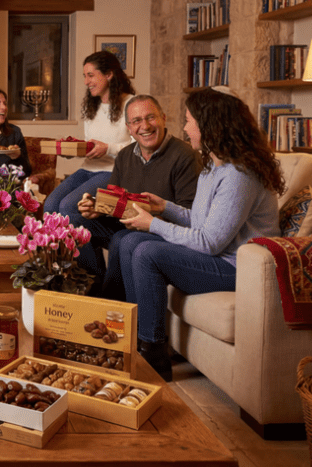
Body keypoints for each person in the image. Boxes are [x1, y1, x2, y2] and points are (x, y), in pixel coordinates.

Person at [115, 89, 285, 381]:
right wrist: (164, 207)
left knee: (147, 252)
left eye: (189, 121)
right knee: (130, 242)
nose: (184, 129)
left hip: (238, 268)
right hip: (218, 257)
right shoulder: (212, 167)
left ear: (209, 126)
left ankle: (153, 358)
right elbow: (200, 222)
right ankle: (137, 341)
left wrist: (153, 224)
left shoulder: (239, 175)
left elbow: (209, 242)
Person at [75, 95, 201, 300]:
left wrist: (151, 222)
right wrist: (97, 208)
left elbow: (189, 214)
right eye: (136, 121)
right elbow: (115, 201)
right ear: (129, 128)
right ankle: (90, 290)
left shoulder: (185, 155)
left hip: (162, 231)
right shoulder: (124, 156)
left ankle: (111, 305)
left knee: (121, 239)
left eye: (151, 117)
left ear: (163, 118)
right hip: (129, 226)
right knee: (77, 221)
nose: (145, 126)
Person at [43, 51, 135, 215]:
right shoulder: (91, 107)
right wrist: (72, 151)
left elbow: (139, 148)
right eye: (85, 76)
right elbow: (91, 146)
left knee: (68, 206)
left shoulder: (132, 104)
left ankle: (78, 234)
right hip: (87, 169)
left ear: (109, 74)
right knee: (50, 204)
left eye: (91, 75)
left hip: (113, 172)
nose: (86, 82)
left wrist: (108, 148)